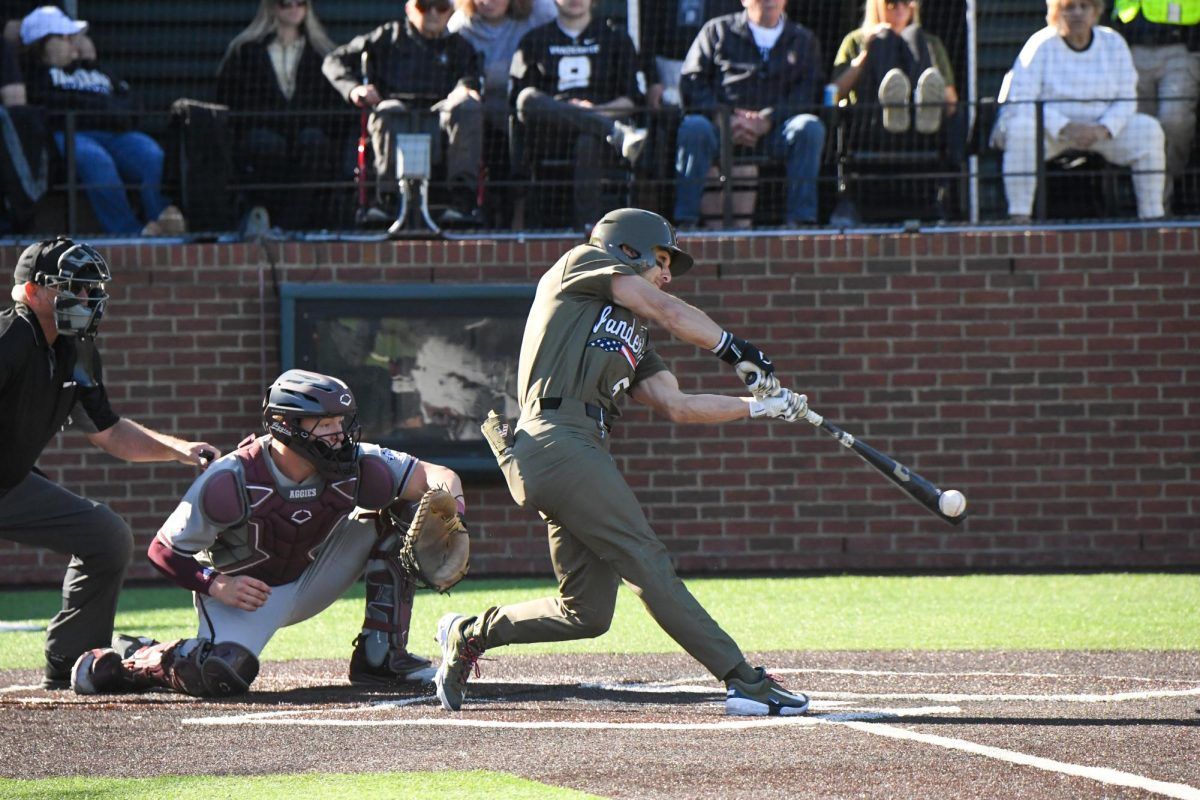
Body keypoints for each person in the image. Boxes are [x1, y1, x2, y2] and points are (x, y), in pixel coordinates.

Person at [434, 207, 811, 717]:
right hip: (555, 439)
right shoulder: (581, 264)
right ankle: (743, 679)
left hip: (579, 449)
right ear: (625, 248)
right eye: (660, 259)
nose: (667, 272)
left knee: (585, 613)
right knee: (644, 558)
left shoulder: (634, 332)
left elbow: (677, 404)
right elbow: (668, 309)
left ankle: (468, 633)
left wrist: (761, 406)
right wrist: (734, 348)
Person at [70, 369, 467, 697]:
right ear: (287, 426)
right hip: (245, 594)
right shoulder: (231, 478)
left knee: (404, 515)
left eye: (339, 423)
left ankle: (381, 658)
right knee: (223, 672)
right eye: (324, 424)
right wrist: (215, 584)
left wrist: (455, 512)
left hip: (315, 573)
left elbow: (439, 476)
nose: (338, 435)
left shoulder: (358, 463)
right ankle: (139, 659)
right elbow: (162, 550)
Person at [0, 237, 219, 690]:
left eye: (88, 289)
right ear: (33, 291)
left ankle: (72, 659)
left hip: (10, 485)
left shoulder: (76, 351)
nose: (84, 299)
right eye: (71, 288)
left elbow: (109, 431)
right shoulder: (9, 337)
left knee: (106, 535)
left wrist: (179, 450)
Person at [992, 0, 1166, 222]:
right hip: (1051, 131)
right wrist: (1065, 127)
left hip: (1102, 131)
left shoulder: (1114, 42)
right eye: (1069, 7)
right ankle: (1019, 217)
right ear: (1056, 13)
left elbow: (1127, 98)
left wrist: (1104, 128)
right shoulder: (1040, 45)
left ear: (1095, 12)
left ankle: (1153, 219)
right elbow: (1022, 98)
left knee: (1149, 130)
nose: (1077, 13)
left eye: (1084, 7)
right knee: (1021, 129)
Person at [19, 6, 185, 236]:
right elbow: (54, 107)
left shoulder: (96, 68)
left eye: (72, 36)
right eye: (63, 37)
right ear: (41, 44)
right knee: (97, 161)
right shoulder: (35, 76)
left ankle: (163, 223)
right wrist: (105, 109)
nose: (72, 42)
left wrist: (98, 108)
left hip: (118, 133)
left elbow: (132, 102)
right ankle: (130, 232)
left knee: (151, 155)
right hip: (72, 134)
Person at [323, 0, 485, 228]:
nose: (432, 14)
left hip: (440, 123)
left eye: (440, 7)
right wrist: (354, 89)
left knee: (467, 107)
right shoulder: (387, 37)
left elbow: (469, 81)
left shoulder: (460, 46)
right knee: (389, 111)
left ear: (451, 12)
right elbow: (333, 61)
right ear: (409, 8)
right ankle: (387, 200)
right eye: (424, 6)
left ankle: (461, 201)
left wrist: (463, 91)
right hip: (395, 118)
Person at [674, 0, 827, 227]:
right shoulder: (716, 31)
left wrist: (767, 119)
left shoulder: (803, 39)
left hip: (775, 133)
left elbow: (809, 92)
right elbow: (691, 81)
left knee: (809, 127)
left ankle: (801, 222)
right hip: (721, 130)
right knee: (693, 127)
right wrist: (723, 117)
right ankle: (685, 222)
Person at [508, 0, 651, 229]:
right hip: (550, 136)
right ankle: (615, 132)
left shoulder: (616, 38)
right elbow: (520, 104)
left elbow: (631, 99)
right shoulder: (533, 40)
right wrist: (571, 112)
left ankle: (588, 229)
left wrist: (593, 113)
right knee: (527, 97)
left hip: (599, 141)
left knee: (588, 138)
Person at [217, 0, 346, 231]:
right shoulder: (245, 51)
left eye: (301, 3)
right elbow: (231, 98)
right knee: (266, 146)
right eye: (286, 4)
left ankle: (289, 224)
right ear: (271, 7)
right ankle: (272, 219)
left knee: (313, 145)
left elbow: (331, 105)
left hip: (307, 134)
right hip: (263, 133)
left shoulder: (322, 53)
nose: (294, 9)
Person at [447, 0, 557, 225]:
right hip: (480, 114)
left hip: (523, 113)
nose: (489, 2)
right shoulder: (461, 25)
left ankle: (521, 219)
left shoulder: (539, 13)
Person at [1110, 0, 1200, 211]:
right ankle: (1155, 209)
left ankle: (1168, 186)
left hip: (1181, 47)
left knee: (1174, 119)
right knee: (1142, 130)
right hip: (1132, 48)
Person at [831, 0, 958, 136]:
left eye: (906, 1)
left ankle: (923, 109)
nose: (900, 8)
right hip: (871, 123)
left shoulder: (930, 43)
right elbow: (834, 93)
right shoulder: (855, 41)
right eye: (891, 2)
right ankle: (892, 109)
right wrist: (866, 53)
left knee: (914, 33)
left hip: (921, 127)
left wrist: (932, 72)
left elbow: (951, 101)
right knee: (884, 38)